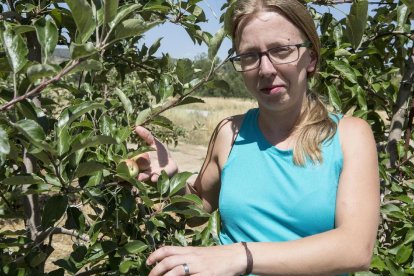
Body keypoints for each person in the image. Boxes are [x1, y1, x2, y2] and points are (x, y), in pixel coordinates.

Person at [135, 0, 380, 275]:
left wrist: (241, 256)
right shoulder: (230, 133)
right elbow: (200, 207)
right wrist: (172, 179)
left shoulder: (349, 136)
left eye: (281, 50)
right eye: (250, 55)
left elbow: (356, 248)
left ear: (310, 58)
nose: (265, 69)